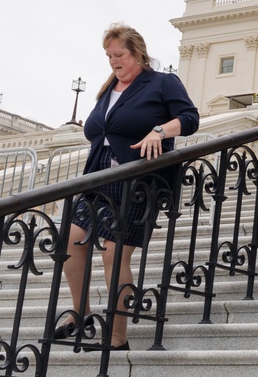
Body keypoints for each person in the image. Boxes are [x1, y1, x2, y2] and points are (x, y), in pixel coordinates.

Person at [60, 24, 200, 351]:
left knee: (114, 251)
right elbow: (98, 130)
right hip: (98, 178)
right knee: (69, 241)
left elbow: (189, 118)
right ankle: (80, 313)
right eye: (109, 56)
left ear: (137, 52)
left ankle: (118, 335)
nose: (113, 61)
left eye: (119, 54)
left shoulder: (162, 82)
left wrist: (160, 130)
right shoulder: (108, 90)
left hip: (139, 180)